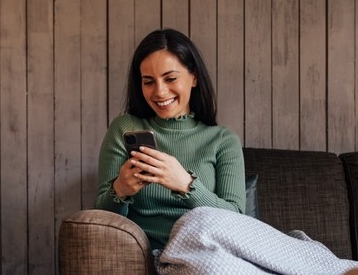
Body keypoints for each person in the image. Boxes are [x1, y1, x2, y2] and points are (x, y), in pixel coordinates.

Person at [95, 28, 246, 249]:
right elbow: (98, 219)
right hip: (157, 258)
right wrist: (120, 189)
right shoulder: (125, 128)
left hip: (213, 252)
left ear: (193, 77)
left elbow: (239, 222)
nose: (160, 92)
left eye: (170, 78)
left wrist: (186, 184)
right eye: (148, 82)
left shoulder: (223, 140)